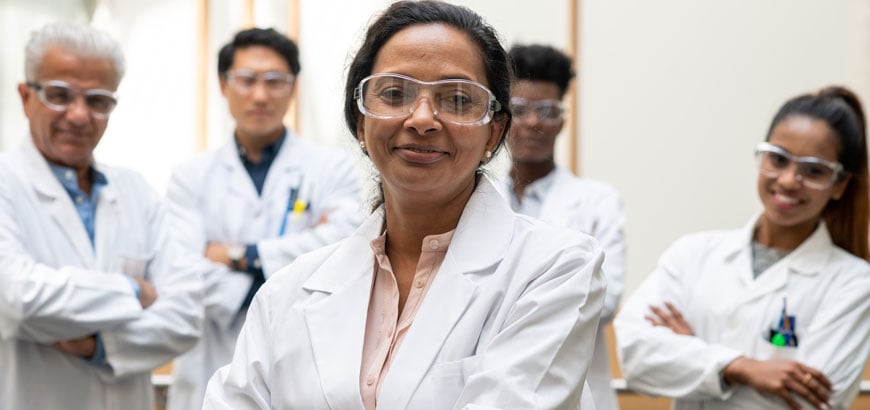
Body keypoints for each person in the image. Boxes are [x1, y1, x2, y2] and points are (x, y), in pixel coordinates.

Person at [202, 1, 606, 409]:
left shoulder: (555, 268)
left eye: (458, 99)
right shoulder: (286, 294)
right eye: (395, 93)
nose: (423, 118)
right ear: (361, 122)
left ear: (493, 132)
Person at [614, 86, 870, 409]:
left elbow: (811, 401)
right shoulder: (693, 255)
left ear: (840, 185)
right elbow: (635, 357)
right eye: (778, 159)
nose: (790, 180)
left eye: (814, 171)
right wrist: (740, 367)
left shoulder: (854, 282)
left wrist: (693, 352)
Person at [0, 22, 202, 410]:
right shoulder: (7, 184)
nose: (78, 115)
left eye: (97, 101)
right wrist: (132, 291)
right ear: (26, 97)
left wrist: (99, 345)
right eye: (60, 95)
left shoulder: (136, 192)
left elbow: (186, 315)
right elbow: (19, 301)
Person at [165, 27, 363, 410]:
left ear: (292, 87)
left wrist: (238, 254)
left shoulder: (331, 169)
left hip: (303, 361)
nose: (260, 94)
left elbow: (342, 252)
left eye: (275, 81)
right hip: (211, 361)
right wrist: (291, 274)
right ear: (224, 86)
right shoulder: (191, 177)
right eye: (246, 80)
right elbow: (183, 273)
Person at [505, 43, 626, 410]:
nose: (532, 122)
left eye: (547, 111)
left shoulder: (598, 201)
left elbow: (606, 299)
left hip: (578, 391)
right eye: (520, 109)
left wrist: (501, 291)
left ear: (563, 120)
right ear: (501, 117)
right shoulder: (476, 198)